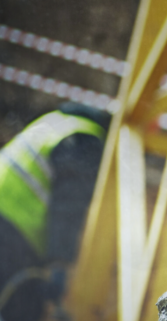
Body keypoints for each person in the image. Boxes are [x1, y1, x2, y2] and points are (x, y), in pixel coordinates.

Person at [0, 102, 110, 321]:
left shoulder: (56, 121)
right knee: (20, 311)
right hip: (13, 234)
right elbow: (68, 207)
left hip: (9, 225)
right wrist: (59, 263)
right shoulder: (86, 139)